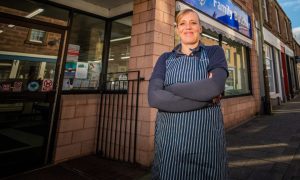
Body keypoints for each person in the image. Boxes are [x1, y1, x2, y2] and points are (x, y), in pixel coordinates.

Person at [148, 9, 228, 179]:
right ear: (177, 29)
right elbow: (154, 97)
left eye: (193, 22)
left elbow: (214, 87)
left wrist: (170, 88)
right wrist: (207, 98)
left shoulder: (215, 52)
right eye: (183, 23)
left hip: (208, 145)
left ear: (200, 28)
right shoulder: (164, 58)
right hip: (170, 145)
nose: (188, 27)